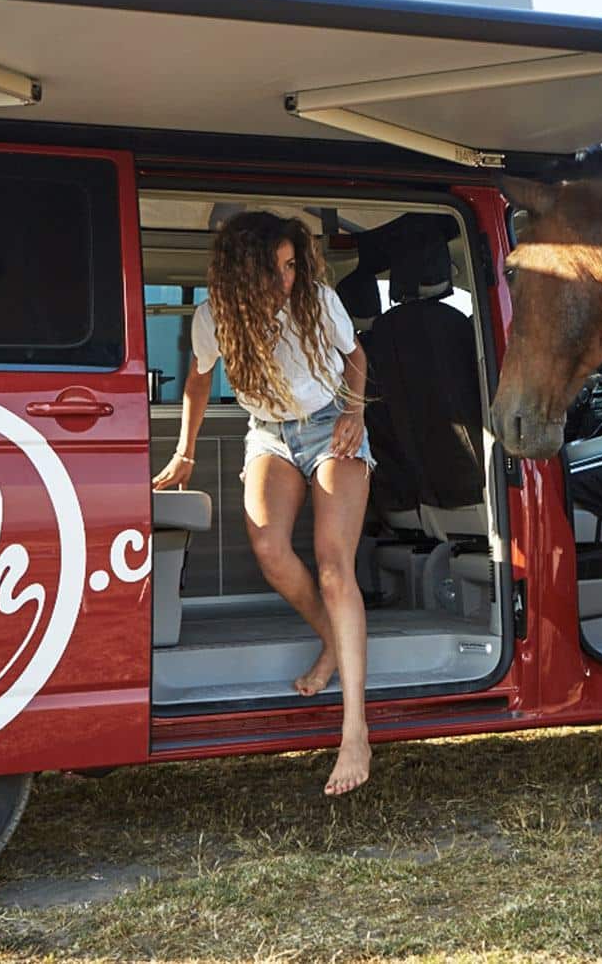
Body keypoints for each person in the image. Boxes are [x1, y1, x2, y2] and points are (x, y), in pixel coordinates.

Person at [152, 211, 374, 796]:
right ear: (241, 271)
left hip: (332, 423)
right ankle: (332, 640)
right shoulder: (213, 318)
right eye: (274, 269)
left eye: (291, 265)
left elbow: (355, 357)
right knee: (270, 550)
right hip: (270, 431)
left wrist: (354, 412)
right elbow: (199, 380)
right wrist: (185, 453)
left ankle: (355, 732)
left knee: (332, 564)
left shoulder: (317, 300)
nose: (286, 280)